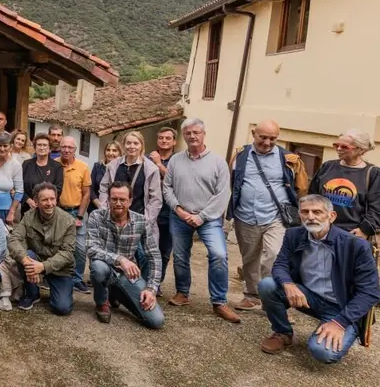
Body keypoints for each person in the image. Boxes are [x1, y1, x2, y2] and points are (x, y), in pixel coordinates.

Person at [258, 195, 380, 363]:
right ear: (299, 215)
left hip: (341, 307)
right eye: (305, 212)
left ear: (332, 216)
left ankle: (330, 326)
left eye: (317, 212)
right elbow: (280, 265)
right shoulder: (293, 235)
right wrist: (288, 284)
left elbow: (370, 292)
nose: (310, 217)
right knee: (267, 285)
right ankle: (283, 332)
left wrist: (339, 323)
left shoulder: (356, 245)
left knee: (323, 352)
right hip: (308, 297)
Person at [163, 118, 238, 322]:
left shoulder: (218, 162)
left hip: (209, 218)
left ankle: (219, 302)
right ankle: (182, 293)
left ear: (204, 134)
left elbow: (223, 193)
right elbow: (167, 188)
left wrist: (201, 216)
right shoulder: (176, 160)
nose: (192, 136)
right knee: (179, 256)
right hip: (180, 216)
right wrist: (178, 209)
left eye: (196, 132)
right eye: (188, 133)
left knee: (219, 255)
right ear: (184, 136)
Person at [228, 119, 308, 311]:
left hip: (276, 217)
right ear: (254, 133)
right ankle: (252, 295)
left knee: (273, 256)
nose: (267, 142)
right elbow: (232, 181)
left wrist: (301, 210)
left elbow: (301, 187)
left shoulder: (288, 158)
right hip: (245, 215)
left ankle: (272, 299)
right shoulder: (241, 155)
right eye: (263, 137)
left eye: (272, 138)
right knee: (249, 258)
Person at [87, 182, 164, 328]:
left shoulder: (141, 221)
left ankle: (117, 293)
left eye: (122, 200)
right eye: (114, 199)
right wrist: (120, 259)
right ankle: (102, 302)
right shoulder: (96, 216)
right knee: (97, 267)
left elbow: (154, 256)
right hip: (105, 268)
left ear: (130, 201)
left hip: (128, 275)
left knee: (156, 321)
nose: (118, 203)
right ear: (108, 200)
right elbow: (91, 248)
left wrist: (151, 289)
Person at [98, 131, 162, 281]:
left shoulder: (151, 169)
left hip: (140, 221)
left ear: (141, 146)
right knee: (114, 256)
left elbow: (156, 199)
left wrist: (145, 222)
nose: (131, 146)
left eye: (135, 143)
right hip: (114, 220)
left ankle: (143, 290)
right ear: (124, 145)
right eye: (128, 143)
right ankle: (113, 290)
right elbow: (103, 188)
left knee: (144, 257)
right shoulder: (113, 166)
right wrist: (104, 210)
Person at [8, 182, 75, 315]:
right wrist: (26, 261)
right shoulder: (28, 217)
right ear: (36, 202)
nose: (49, 203)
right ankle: (32, 294)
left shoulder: (68, 221)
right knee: (25, 254)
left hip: (60, 270)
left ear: (56, 200)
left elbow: (67, 253)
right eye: (44, 199)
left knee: (62, 308)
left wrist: (43, 266)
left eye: (52, 199)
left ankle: (61, 291)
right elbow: (13, 239)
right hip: (35, 261)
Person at [309, 128, 380, 239]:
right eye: (336, 145)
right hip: (320, 230)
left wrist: (364, 230)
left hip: (351, 234)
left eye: (344, 147)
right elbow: (313, 196)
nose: (339, 149)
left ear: (361, 150)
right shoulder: (327, 166)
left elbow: (377, 207)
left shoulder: (373, 173)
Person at [57, 136, 92, 294]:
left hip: (77, 211)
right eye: (64, 147)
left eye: (70, 148)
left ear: (75, 150)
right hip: (58, 211)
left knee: (79, 248)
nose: (66, 150)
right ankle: (58, 276)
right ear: (59, 147)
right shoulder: (54, 164)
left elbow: (86, 194)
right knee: (57, 245)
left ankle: (77, 279)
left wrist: (79, 216)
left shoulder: (83, 167)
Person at [147, 127, 178, 294]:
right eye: (161, 138)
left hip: (169, 212)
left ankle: (156, 283)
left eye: (168, 138)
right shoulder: (146, 158)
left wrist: (159, 164)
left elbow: (176, 182)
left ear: (174, 142)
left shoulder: (179, 160)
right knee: (146, 249)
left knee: (164, 251)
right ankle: (144, 281)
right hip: (149, 210)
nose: (164, 141)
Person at [21, 133, 63, 215]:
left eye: (45, 145)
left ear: (49, 148)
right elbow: (19, 187)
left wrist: (42, 202)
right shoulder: (26, 164)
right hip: (28, 209)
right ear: (35, 147)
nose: (42, 147)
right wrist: (28, 200)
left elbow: (58, 189)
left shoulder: (57, 167)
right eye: (39, 145)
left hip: (48, 210)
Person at [89, 141, 122, 214]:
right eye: (108, 150)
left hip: (116, 209)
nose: (110, 153)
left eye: (114, 150)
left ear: (119, 153)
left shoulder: (122, 169)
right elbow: (90, 188)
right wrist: (99, 204)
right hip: (96, 207)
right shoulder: (97, 166)